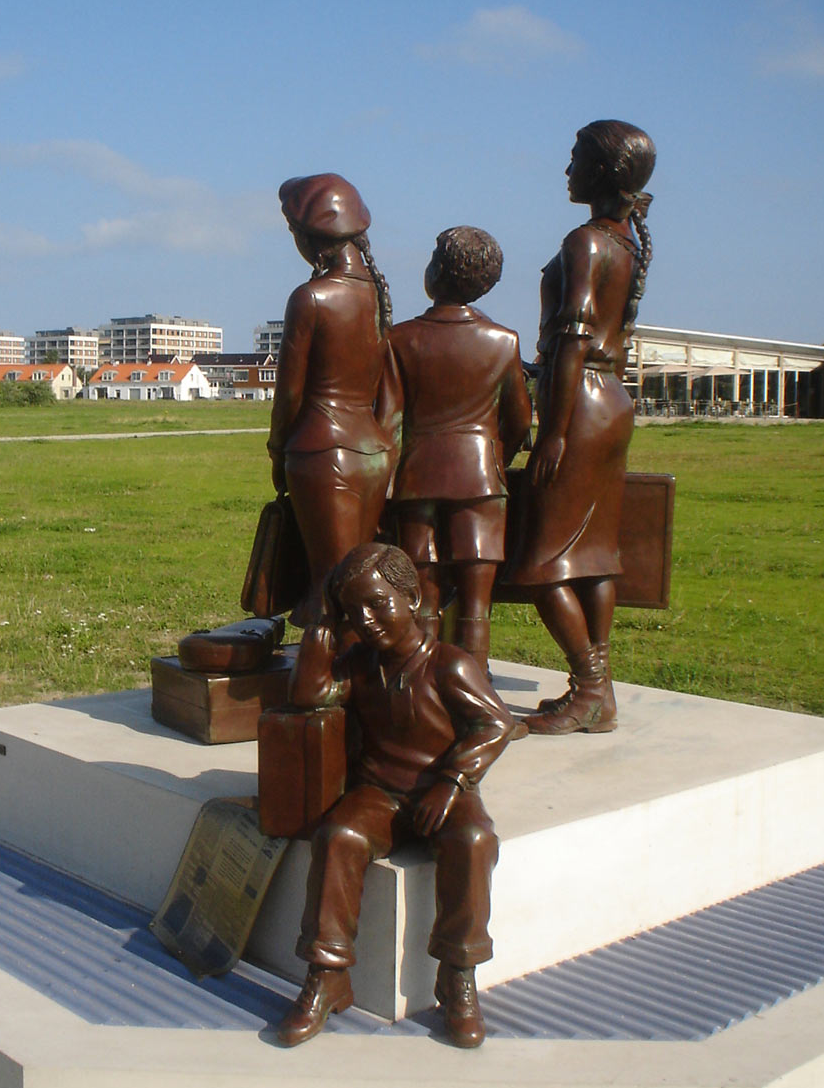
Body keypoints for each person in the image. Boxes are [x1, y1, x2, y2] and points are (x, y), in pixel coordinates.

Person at [277, 543, 516, 1049]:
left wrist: (453, 782)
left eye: (378, 605)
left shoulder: (449, 665)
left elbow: (496, 723)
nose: (367, 621)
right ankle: (328, 974)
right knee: (339, 835)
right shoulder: (359, 665)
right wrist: (322, 624)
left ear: (410, 597)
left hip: (443, 791)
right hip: (381, 795)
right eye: (353, 612)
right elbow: (306, 694)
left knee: (473, 841)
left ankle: (457, 975)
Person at [507, 121, 655, 734]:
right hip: (612, 400)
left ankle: (590, 687)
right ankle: (600, 690)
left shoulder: (585, 242)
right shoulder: (626, 243)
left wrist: (553, 432)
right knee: (594, 556)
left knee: (542, 562)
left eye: (575, 160)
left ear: (601, 174)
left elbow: (572, 338)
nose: (566, 170)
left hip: (582, 403)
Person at [387, 226, 532, 671]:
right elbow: (520, 419)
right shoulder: (503, 342)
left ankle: (421, 680)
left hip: (416, 478)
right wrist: (496, 460)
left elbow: (389, 421)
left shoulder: (399, 339)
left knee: (420, 589)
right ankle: (474, 682)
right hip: (482, 478)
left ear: (436, 272)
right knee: (475, 597)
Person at [267, 174, 398, 625]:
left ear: (311, 238)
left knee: (329, 586)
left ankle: (321, 683)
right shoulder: (377, 296)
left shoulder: (311, 298)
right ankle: (349, 674)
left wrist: (276, 449)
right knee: (357, 576)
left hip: (322, 453)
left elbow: (289, 392)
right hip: (372, 452)